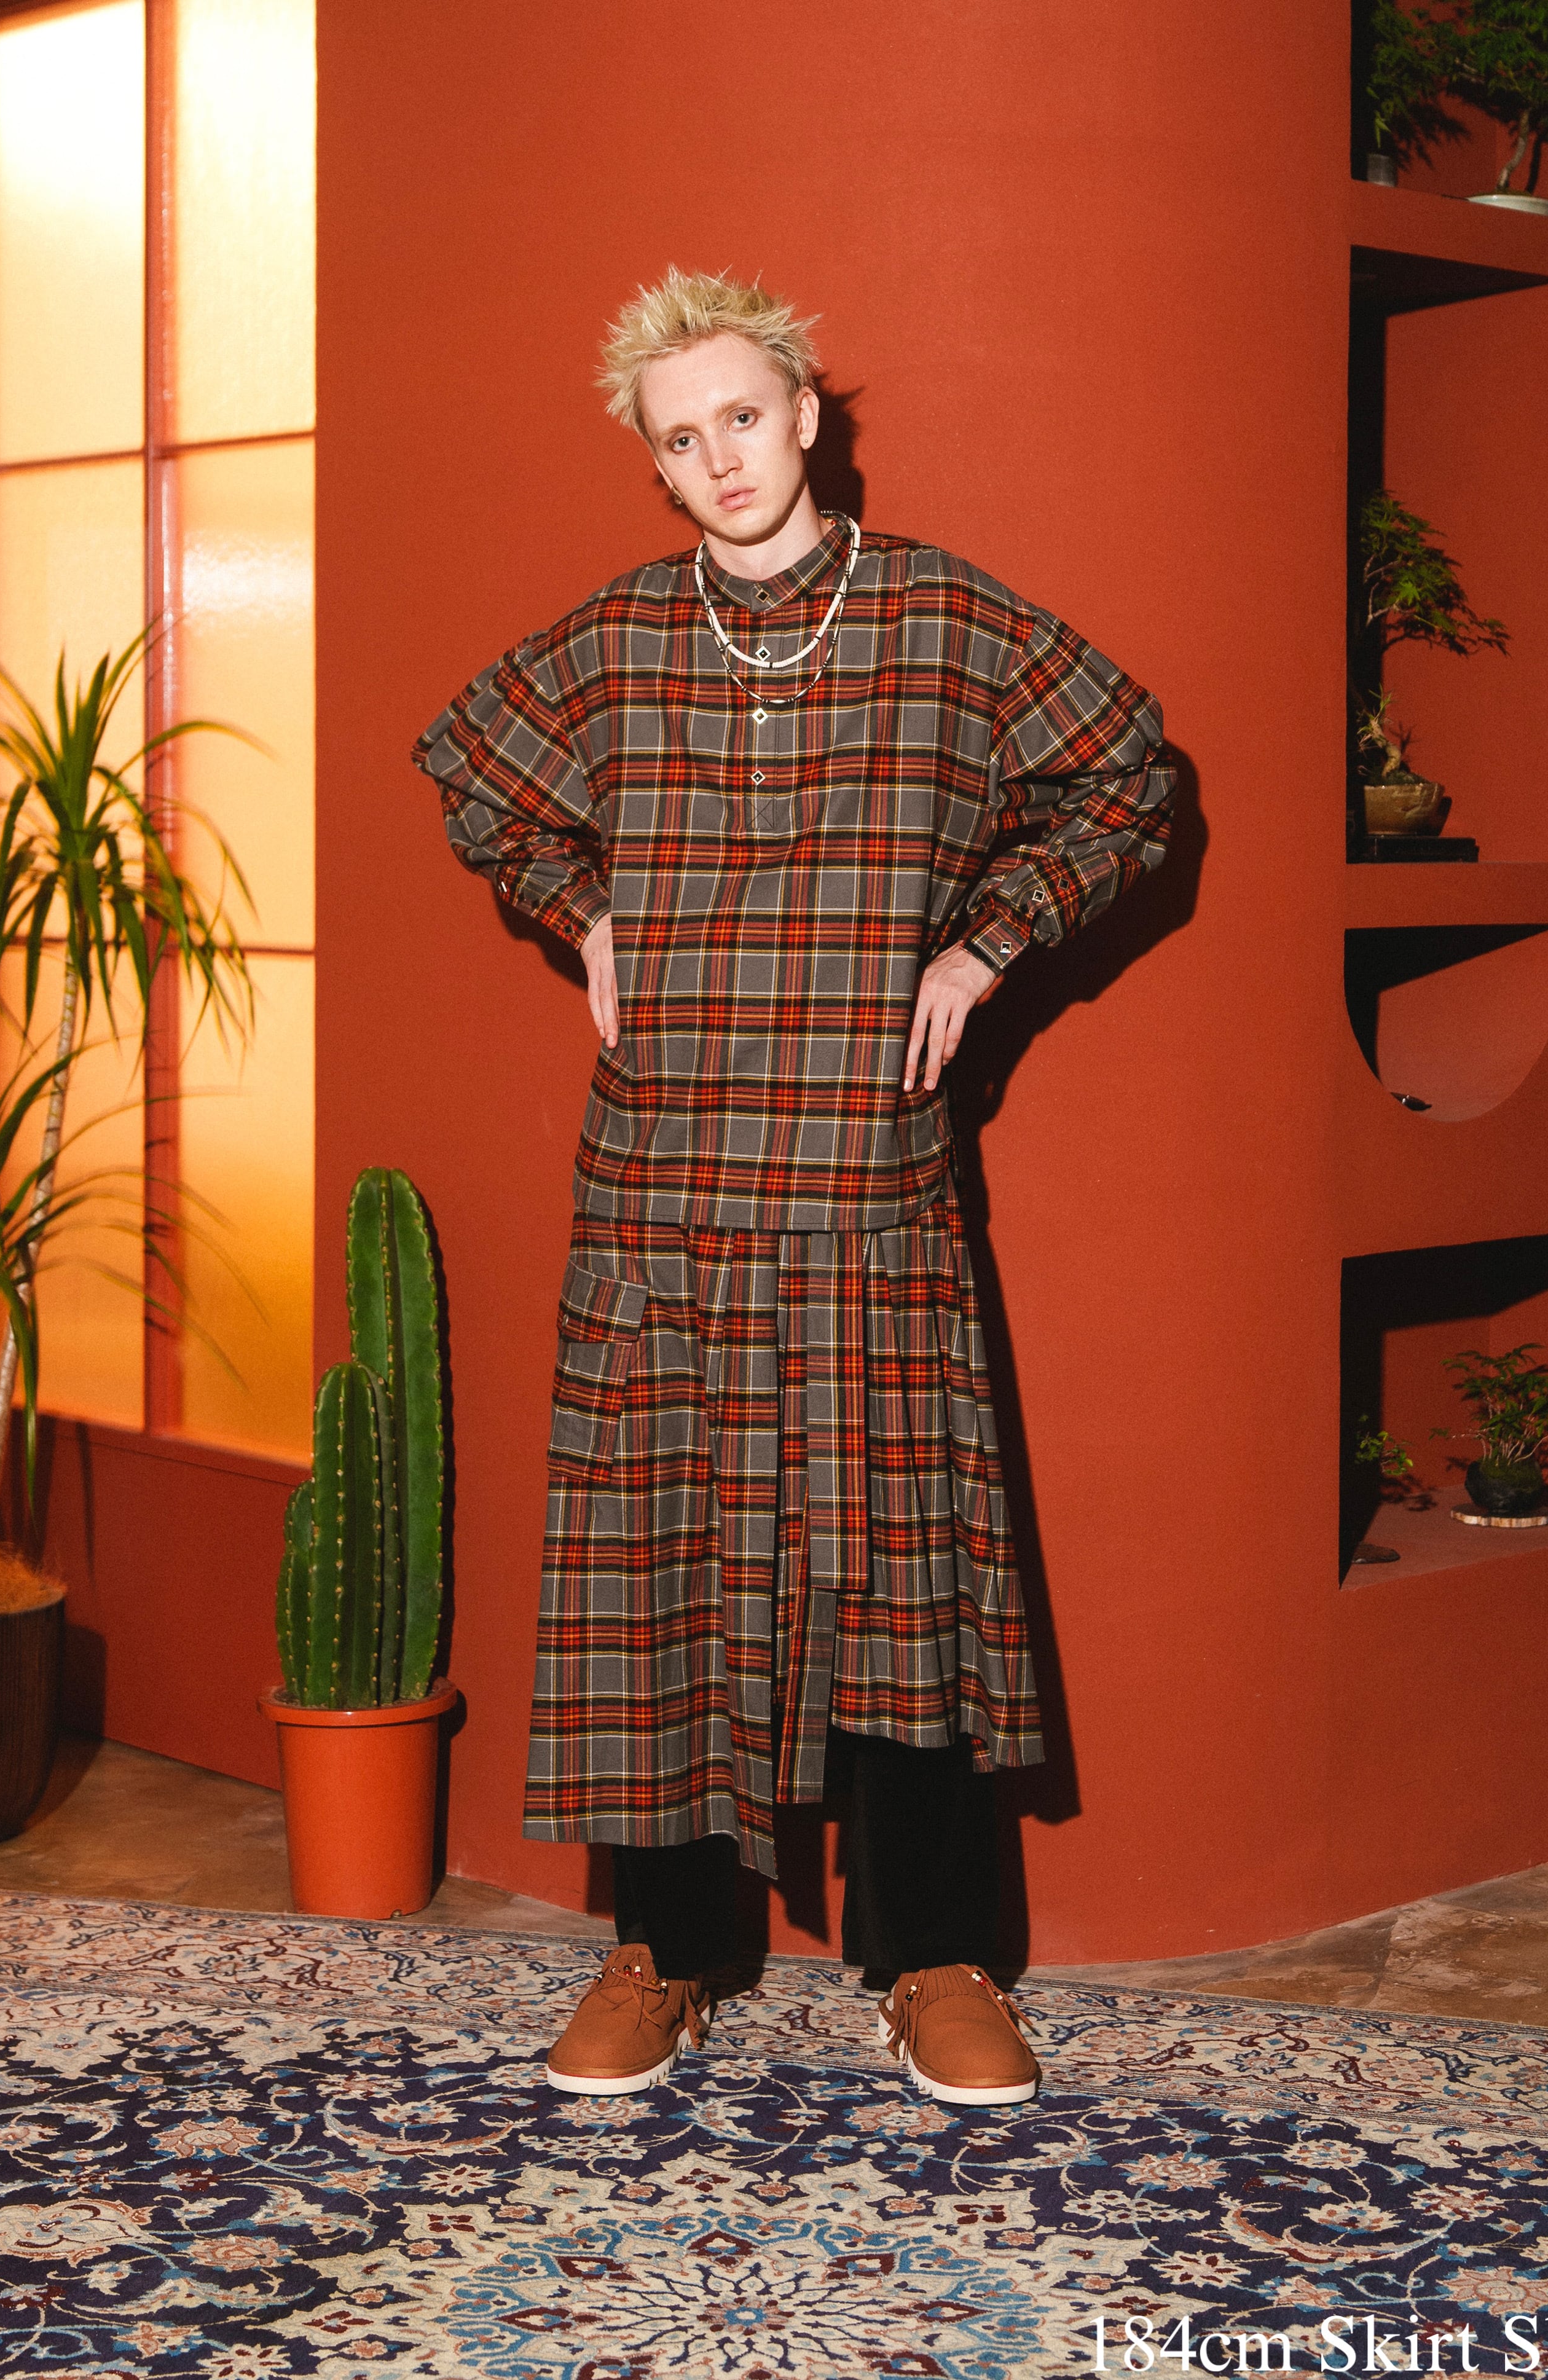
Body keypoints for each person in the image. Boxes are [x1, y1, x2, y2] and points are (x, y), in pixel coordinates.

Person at [414, 267, 1173, 2105]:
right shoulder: (617, 641)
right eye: (680, 442)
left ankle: (933, 1954)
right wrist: (585, 912)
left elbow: (1131, 781)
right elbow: (472, 777)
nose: (720, 462)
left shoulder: (945, 619)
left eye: (743, 419)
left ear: (807, 415)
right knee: (659, 1564)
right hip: (662, 1181)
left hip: (865, 1179)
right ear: (658, 465)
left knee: (897, 1564)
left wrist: (983, 947)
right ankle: (666, 1950)